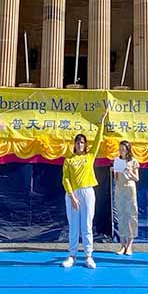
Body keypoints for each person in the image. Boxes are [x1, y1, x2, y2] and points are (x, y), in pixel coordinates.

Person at [61, 110, 108, 269]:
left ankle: (88, 256)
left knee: (87, 225)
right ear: (74, 145)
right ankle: (72, 255)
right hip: (72, 194)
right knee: (73, 225)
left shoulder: (90, 156)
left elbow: (98, 139)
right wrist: (72, 197)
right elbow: (65, 179)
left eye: (82, 142)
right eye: (77, 142)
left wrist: (102, 122)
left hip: (87, 192)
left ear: (85, 145)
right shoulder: (69, 160)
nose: (80, 145)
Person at [113, 140, 139, 256]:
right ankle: (122, 244)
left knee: (131, 215)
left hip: (130, 189)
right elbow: (116, 179)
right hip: (120, 189)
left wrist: (129, 171)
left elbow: (136, 178)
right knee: (121, 215)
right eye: (120, 148)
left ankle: (130, 245)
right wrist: (114, 171)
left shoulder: (133, 161)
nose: (121, 151)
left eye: (123, 149)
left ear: (128, 150)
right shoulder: (117, 161)